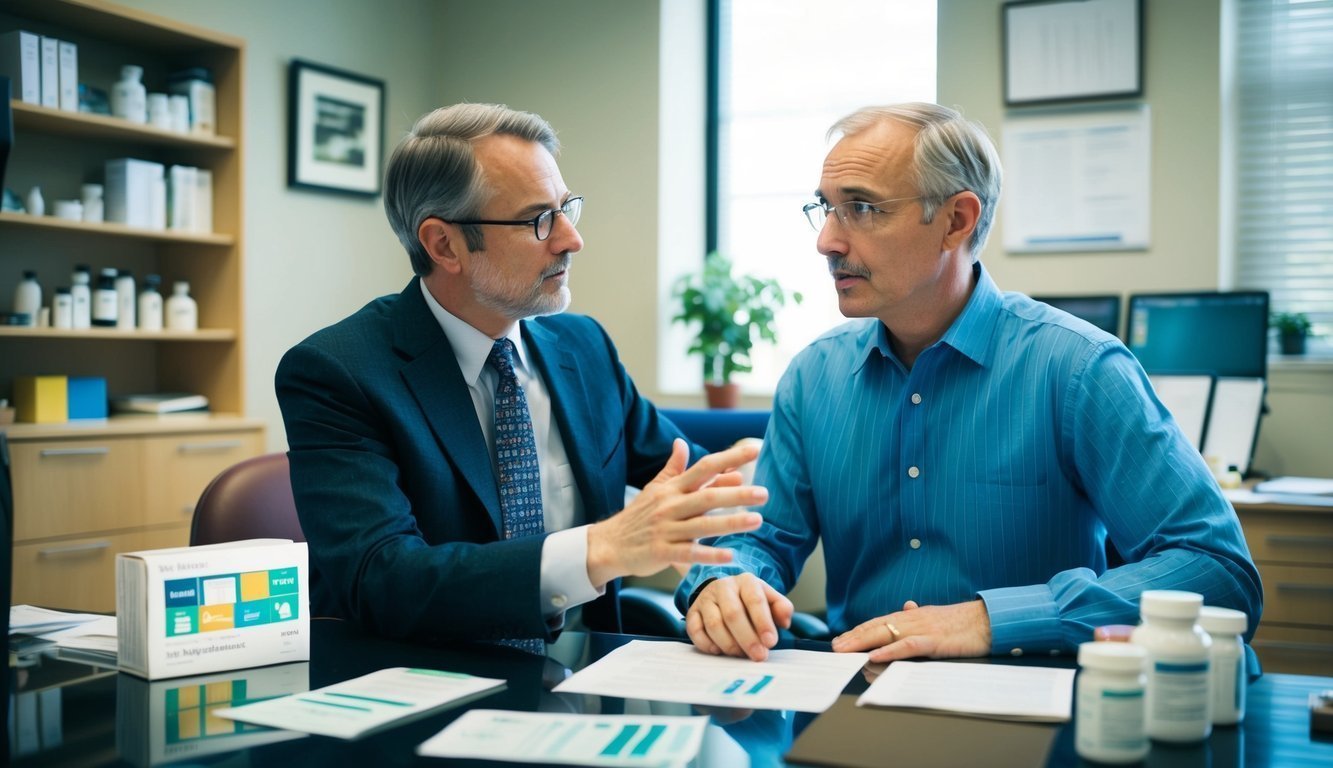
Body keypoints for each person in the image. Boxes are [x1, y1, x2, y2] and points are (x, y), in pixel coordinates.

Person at [676, 102, 1263, 663]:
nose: (827, 240)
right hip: (855, 700)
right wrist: (725, 584)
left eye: (861, 208)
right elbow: (760, 539)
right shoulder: (813, 378)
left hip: (1030, 701)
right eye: (826, 208)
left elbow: (1216, 568)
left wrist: (988, 619)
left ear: (956, 220)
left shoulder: (1079, 369)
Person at [276, 103, 767, 647]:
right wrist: (599, 550)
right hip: (428, 689)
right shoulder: (338, 372)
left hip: (591, 681)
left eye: (566, 209)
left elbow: (692, 484)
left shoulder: (584, 349)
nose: (570, 239)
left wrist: (711, 580)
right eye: (538, 220)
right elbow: (383, 580)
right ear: (443, 244)